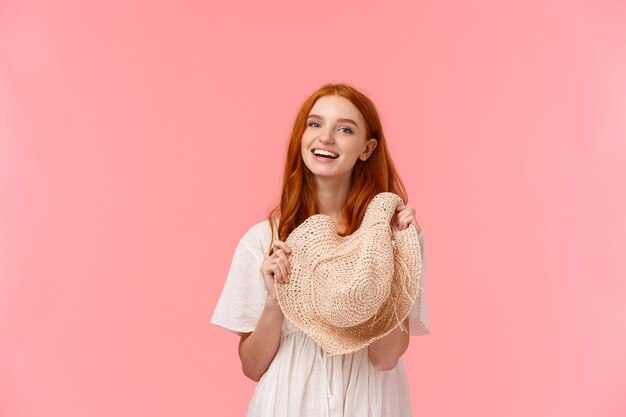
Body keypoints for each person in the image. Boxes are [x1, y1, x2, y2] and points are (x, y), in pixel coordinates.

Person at [211, 82, 430, 417]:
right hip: (287, 404)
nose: (326, 137)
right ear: (302, 137)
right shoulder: (262, 241)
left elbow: (386, 359)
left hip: (369, 403)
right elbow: (252, 368)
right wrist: (275, 301)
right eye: (315, 124)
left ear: (367, 149)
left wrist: (394, 258)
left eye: (344, 129)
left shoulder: (397, 238)